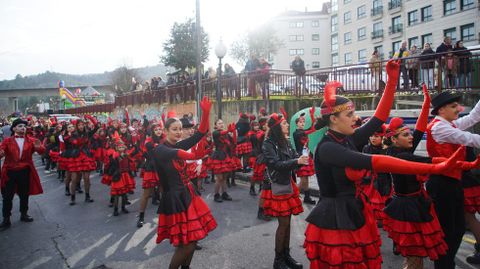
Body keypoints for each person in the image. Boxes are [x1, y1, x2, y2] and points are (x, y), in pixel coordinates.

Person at [303, 62, 462, 269]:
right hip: (335, 218)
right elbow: (377, 161)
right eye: (349, 115)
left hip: (354, 209)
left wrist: (392, 81)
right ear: (333, 119)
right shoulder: (328, 148)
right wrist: (433, 168)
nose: (355, 118)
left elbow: (378, 118)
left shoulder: (348, 138)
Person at [382, 85, 462, 268]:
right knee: (414, 257)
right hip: (407, 208)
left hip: (416, 203)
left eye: (409, 133)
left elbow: (419, 130)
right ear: (394, 139)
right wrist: (452, 162)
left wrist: (426, 104)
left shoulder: (403, 148)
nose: (411, 137)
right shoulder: (400, 155)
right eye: (405, 134)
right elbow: (428, 161)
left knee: (416, 257)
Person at [153, 97, 217, 269]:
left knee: (193, 238)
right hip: (175, 199)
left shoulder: (178, 145)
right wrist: (195, 156)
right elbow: (183, 155)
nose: (179, 132)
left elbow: (200, 133)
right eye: (174, 129)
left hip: (188, 193)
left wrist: (206, 113)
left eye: (180, 129)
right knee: (186, 244)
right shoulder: (160, 149)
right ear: (165, 131)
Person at [426, 92, 480, 269]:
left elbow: (473, 117)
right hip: (442, 184)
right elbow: (469, 138)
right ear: (441, 110)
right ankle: (443, 265)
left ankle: (446, 264)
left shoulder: (448, 124)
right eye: (454, 106)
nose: (459, 109)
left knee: (457, 229)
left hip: (453, 182)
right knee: (448, 231)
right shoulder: (439, 128)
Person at [262, 110, 307, 269]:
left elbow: (294, 155)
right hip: (276, 185)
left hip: (287, 183)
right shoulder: (268, 143)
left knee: (288, 223)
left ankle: (286, 256)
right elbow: (275, 164)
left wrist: (302, 157)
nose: (287, 124)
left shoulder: (286, 141)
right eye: (284, 123)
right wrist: (297, 161)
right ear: (276, 127)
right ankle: (278, 260)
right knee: (283, 223)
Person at [0, 118, 45, 230]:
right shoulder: (7, 141)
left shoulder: (31, 140)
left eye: (24, 127)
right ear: (14, 128)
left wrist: (39, 147)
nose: (23, 128)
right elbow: (1, 152)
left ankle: (24, 214)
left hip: (24, 171)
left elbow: (41, 151)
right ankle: (6, 218)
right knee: (7, 196)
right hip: (10, 171)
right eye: (20, 126)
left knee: (24, 194)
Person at [137, 123, 164, 228]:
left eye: (160, 129)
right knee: (146, 194)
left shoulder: (164, 140)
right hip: (151, 168)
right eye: (156, 129)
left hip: (162, 168)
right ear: (153, 131)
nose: (158, 131)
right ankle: (141, 217)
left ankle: (165, 217)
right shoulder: (149, 141)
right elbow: (149, 151)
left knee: (164, 193)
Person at [292, 109, 318, 205]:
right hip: (301, 157)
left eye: (303, 122)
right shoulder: (297, 133)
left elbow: (312, 128)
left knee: (305, 179)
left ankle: (307, 197)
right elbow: (312, 129)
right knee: (303, 180)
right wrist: (311, 118)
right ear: (297, 124)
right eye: (300, 122)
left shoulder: (303, 131)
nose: (302, 123)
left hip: (306, 155)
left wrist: (311, 115)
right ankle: (294, 195)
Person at [208, 119, 236, 202]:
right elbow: (221, 133)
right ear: (215, 125)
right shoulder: (215, 133)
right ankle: (216, 195)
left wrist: (234, 132)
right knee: (219, 178)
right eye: (219, 123)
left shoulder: (226, 134)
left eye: (222, 123)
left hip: (225, 156)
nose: (221, 124)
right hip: (218, 157)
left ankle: (224, 193)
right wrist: (228, 130)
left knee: (224, 177)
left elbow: (234, 142)